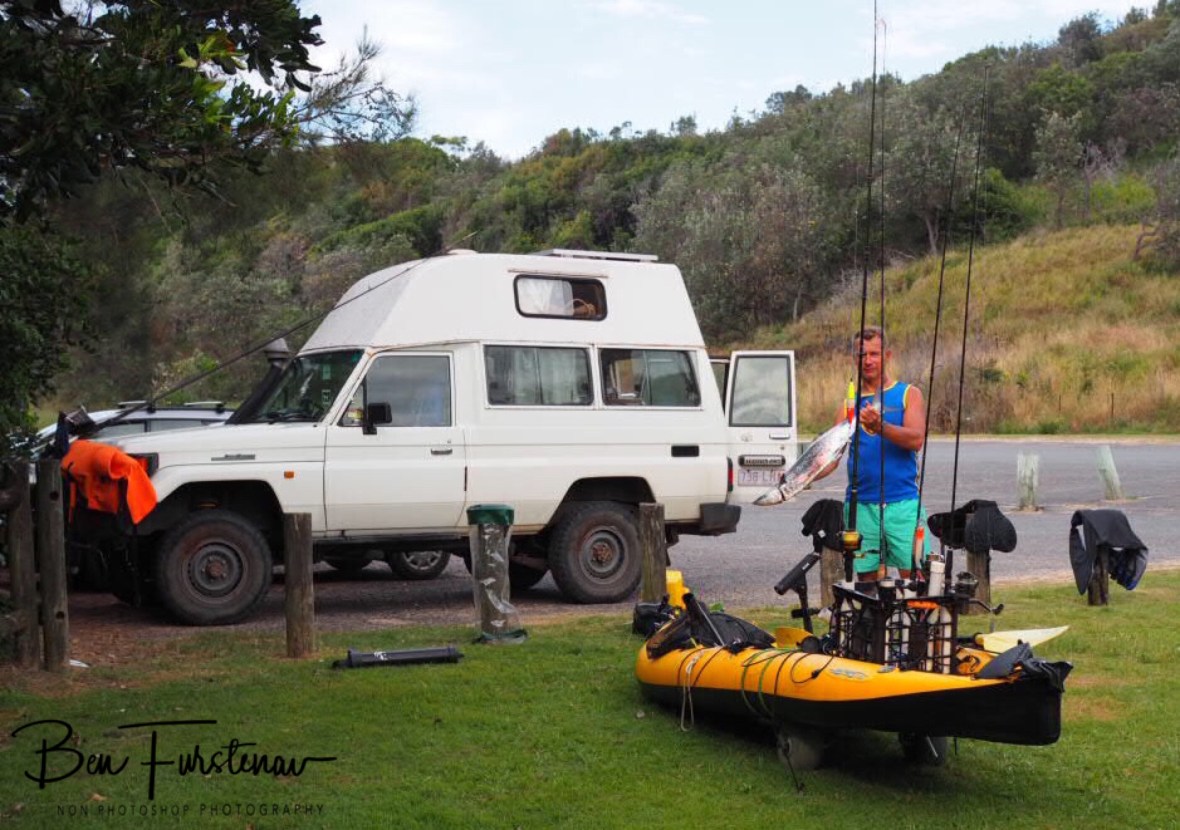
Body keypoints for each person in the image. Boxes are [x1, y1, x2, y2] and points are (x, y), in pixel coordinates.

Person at [816, 326, 929, 582]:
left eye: (874, 354)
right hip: (861, 506)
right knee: (867, 584)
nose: (868, 361)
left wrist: (880, 427)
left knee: (916, 579)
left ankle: (920, 623)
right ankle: (874, 624)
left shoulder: (908, 394)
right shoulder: (849, 404)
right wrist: (798, 480)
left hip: (902, 504)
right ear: (854, 358)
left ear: (887, 355)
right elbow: (831, 458)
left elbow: (916, 439)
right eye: (861, 355)